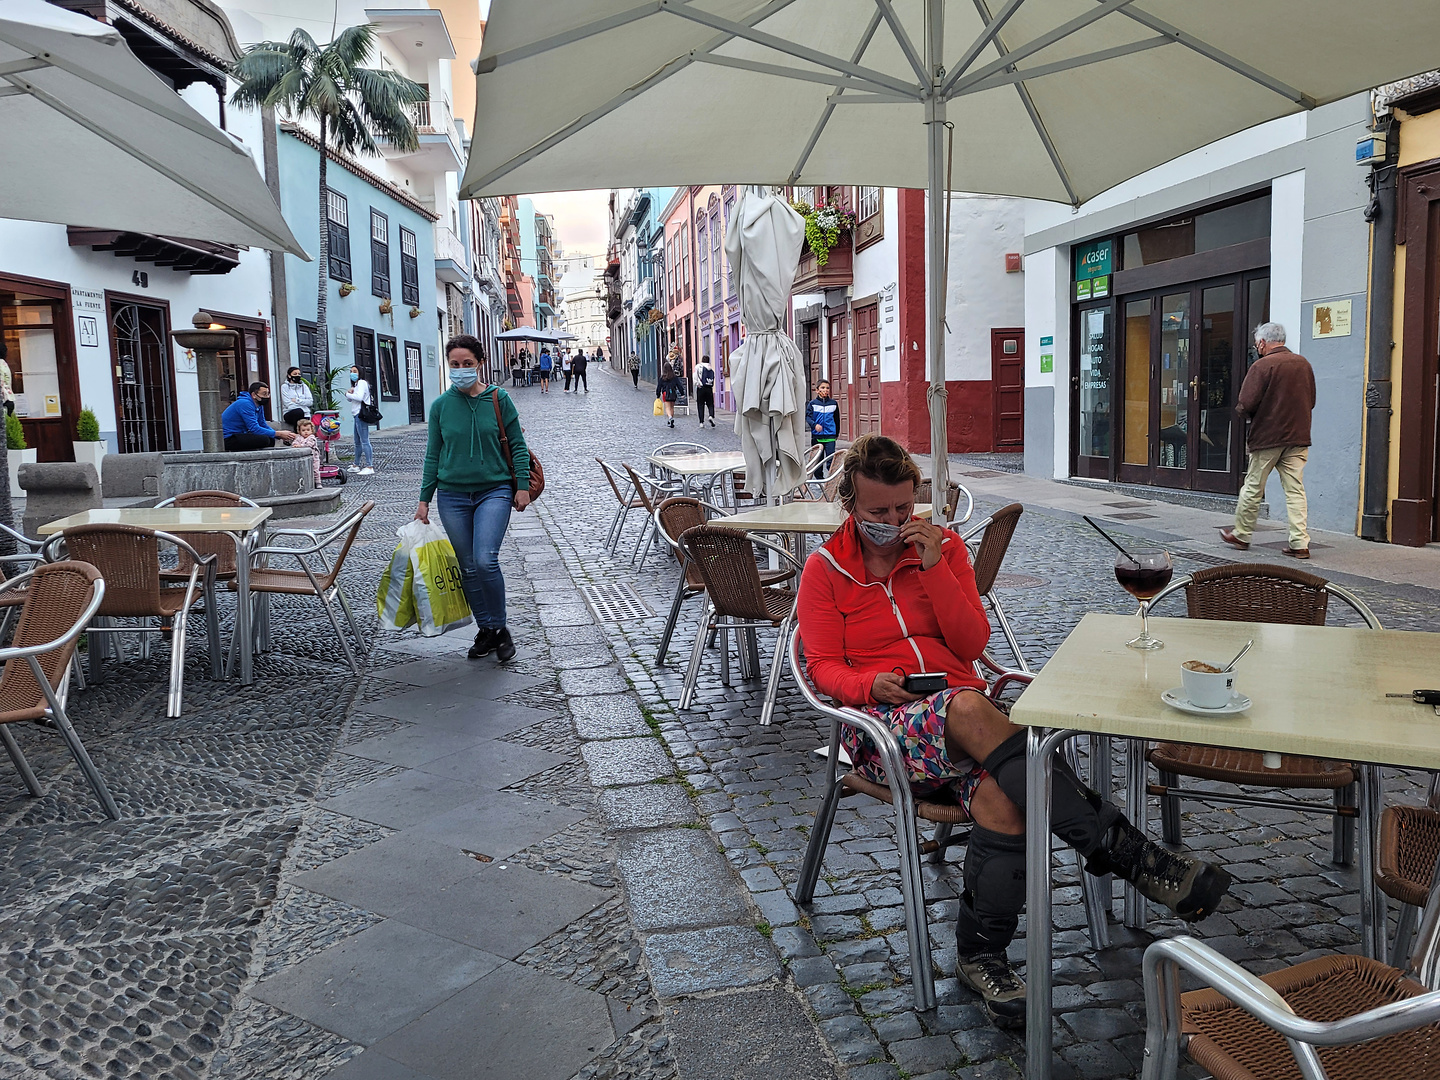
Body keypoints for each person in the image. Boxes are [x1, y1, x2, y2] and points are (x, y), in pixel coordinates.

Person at [796, 435, 1233, 1028]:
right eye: (879, 512)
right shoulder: (825, 569)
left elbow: (973, 645)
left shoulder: (942, 548)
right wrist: (867, 686)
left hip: (961, 717)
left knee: (1005, 796)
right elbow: (821, 666)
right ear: (850, 503)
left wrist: (933, 571)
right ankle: (1128, 853)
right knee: (973, 708)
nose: (895, 522)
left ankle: (982, 958)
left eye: (905, 508)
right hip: (882, 732)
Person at [415, 333, 531, 664]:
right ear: (448, 366)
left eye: (467, 364)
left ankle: (499, 627)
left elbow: (518, 445)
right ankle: (489, 630)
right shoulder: (440, 407)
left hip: (494, 490)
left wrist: (521, 485)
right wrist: (424, 499)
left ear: (480, 363)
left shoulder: (499, 399)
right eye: (455, 365)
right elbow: (432, 455)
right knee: (466, 566)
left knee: (485, 560)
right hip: (451, 495)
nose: (461, 369)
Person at [1220, 322, 1317, 559]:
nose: (1257, 348)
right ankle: (1299, 543)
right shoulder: (1303, 364)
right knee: (1295, 490)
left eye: (1257, 344)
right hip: (1298, 435)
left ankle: (1242, 534)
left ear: (1263, 343)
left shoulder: (1262, 366)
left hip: (1268, 437)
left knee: (1253, 486)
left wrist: (1244, 413)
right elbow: (1311, 400)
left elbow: (1246, 402)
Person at [221, 382, 297, 452]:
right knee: (264, 440)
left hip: (241, 434)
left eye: (268, 394)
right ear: (254, 395)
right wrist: (278, 434)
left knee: (270, 439)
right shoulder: (245, 404)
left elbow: (262, 424)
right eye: (264, 394)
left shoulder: (259, 405)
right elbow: (254, 428)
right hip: (229, 437)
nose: (267, 397)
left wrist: (280, 436)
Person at [344, 366, 376, 475]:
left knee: (364, 440)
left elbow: (359, 397)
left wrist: (347, 394)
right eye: (351, 372)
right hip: (356, 414)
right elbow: (352, 399)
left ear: (360, 373)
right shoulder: (357, 384)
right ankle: (356, 464)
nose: (352, 374)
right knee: (357, 442)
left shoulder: (362, 382)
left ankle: (369, 465)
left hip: (360, 414)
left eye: (354, 371)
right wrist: (350, 393)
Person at [806, 380, 840, 477]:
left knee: (831, 459)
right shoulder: (812, 404)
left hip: (830, 436)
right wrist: (814, 425)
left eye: (827, 388)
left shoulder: (833, 404)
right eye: (822, 388)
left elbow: (837, 419)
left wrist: (836, 433)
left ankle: (831, 480)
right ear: (817, 390)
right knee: (818, 460)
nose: (825, 390)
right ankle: (819, 479)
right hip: (817, 437)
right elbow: (808, 417)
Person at [279, 366, 313, 432]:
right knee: (298, 412)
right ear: (289, 376)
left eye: (299, 374)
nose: (297, 375)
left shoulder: (304, 386)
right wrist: (303, 405)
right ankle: (297, 434)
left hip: (305, 413)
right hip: (289, 413)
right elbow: (288, 404)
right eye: (295, 374)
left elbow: (310, 402)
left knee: (304, 416)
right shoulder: (285, 387)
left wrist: (297, 400)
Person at [291, 416, 322, 488]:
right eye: (303, 430)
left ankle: (318, 482)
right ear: (299, 431)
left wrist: (300, 445)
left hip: (314, 457)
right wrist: (295, 444)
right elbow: (294, 442)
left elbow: (309, 444)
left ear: (311, 430)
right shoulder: (299, 437)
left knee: (315, 470)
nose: (306, 432)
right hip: (304, 457)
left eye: (308, 430)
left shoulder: (311, 437)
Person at [656, 363, 682, 429]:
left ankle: (670, 418)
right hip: (673, 393)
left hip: (665, 393)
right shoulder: (674, 377)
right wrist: (682, 393)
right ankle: (671, 420)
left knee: (667, 407)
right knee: (672, 407)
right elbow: (679, 385)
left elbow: (659, 387)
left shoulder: (662, 377)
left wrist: (658, 394)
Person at [694, 354, 716, 427]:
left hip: (701, 388)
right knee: (710, 404)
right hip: (709, 388)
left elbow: (695, 377)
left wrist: (697, 384)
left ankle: (701, 422)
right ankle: (711, 416)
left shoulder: (698, 367)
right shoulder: (710, 368)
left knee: (700, 404)